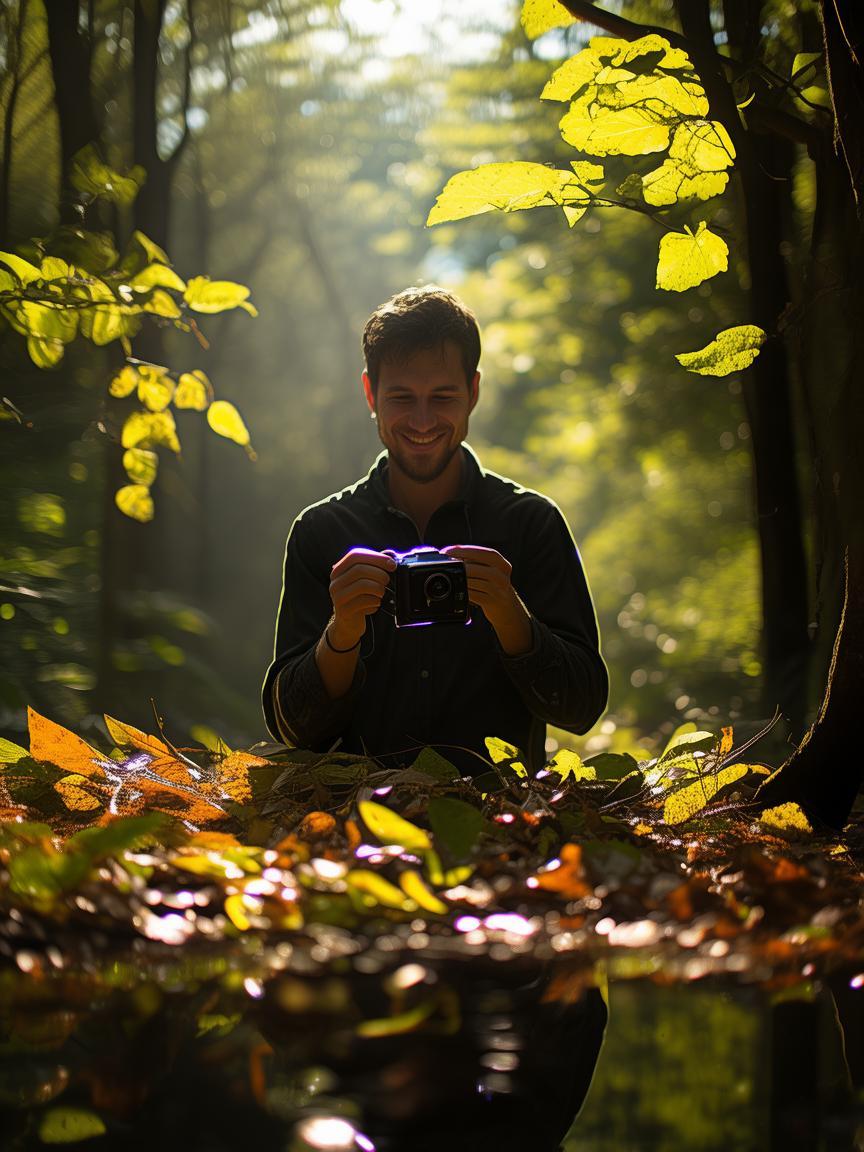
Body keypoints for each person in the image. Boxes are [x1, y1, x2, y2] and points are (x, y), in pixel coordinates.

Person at [262, 286, 608, 775]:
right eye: (402, 397)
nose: (422, 420)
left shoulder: (530, 524)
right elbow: (293, 729)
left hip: (502, 828)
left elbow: (581, 709)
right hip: (353, 832)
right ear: (370, 394)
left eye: (442, 396)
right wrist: (342, 632)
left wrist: (509, 613)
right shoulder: (322, 532)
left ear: (473, 392)